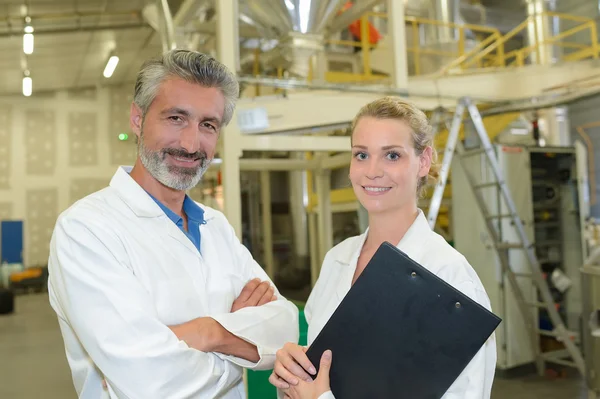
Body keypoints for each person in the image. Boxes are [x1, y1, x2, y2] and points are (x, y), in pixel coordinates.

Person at [47, 49, 299, 398]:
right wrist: (240, 343)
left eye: (208, 125)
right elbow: (151, 380)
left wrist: (208, 332)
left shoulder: (215, 225)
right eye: (176, 118)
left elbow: (285, 326)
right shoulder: (86, 230)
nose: (191, 143)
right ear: (137, 119)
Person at [269, 97, 497, 399]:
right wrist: (293, 377)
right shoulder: (337, 260)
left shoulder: (450, 277)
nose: (372, 171)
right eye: (361, 155)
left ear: (423, 161)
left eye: (392, 155)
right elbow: (320, 376)